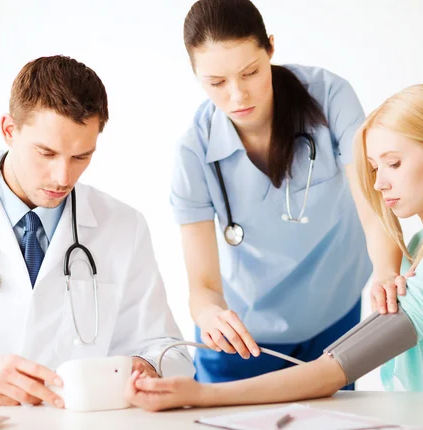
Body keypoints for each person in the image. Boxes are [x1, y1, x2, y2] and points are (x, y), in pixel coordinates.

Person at [125, 84, 423, 417]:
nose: (379, 183)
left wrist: (198, 394)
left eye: (393, 163)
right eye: (373, 168)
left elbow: (333, 371)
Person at [170, 0, 406, 385]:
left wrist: (385, 271)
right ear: (195, 73)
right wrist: (210, 315)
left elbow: (374, 202)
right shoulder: (193, 153)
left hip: (333, 316)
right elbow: (204, 287)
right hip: (242, 338)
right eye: (216, 83)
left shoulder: (329, 97)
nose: (238, 96)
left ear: (271, 49)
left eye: (250, 72)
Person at [0, 55, 194, 408]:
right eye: (46, 153)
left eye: (81, 157)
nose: (63, 178)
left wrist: (148, 366)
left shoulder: (124, 226)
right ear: (9, 130)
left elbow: (169, 349)